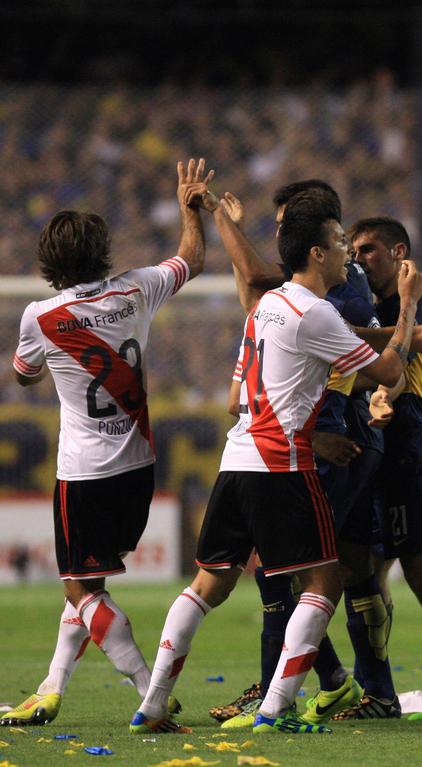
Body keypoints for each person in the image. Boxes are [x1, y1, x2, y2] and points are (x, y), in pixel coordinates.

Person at [129, 189, 422, 735]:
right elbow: (388, 372)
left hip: (236, 458)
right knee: (326, 579)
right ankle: (275, 708)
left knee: (207, 584)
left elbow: (248, 393)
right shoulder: (317, 315)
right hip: (281, 466)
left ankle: (152, 703)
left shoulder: (266, 306)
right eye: (338, 243)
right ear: (316, 253)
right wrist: (406, 304)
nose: (345, 255)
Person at [2, 158, 210, 728]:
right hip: (139, 467)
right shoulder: (139, 288)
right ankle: (51, 685)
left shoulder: (41, 316)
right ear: (103, 252)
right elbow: (192, 258)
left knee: (79, 588)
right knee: (88, 585)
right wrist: (190, 208)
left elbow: (23, 374)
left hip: (85, 474)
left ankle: (151, 692)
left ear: (48, 263)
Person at [205, 180, 389, 728]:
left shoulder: (330, 291)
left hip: (327, 440)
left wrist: (224, 222)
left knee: (296, 572)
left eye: (284, 225)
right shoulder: (298, 297)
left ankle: (276, 694)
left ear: (318, 238)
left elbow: (262, 284)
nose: (278, 237)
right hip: (308, 438)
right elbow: (256, 300)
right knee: (336, 568)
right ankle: (342, 684)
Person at [352, 217, 422, 721]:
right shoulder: (362, 301)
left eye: (370, 248)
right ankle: (376, 692)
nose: (361, 257)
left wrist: (382, 394)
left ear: (399, 251)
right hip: (368, 452)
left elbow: (401, 372)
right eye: (355, 249)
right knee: (366, 574)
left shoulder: (415, 303)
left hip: (404, 447)